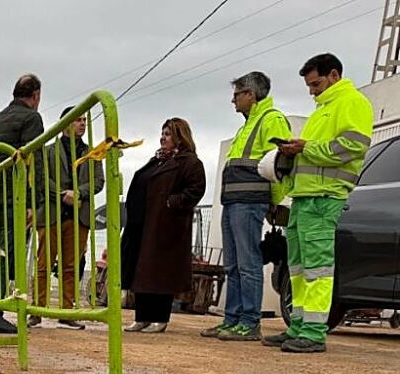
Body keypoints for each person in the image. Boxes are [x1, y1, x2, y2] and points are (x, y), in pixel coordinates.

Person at [265, 53, 373, 353]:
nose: (312, 90)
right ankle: (298, 326)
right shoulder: (323, 110)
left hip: (325, 197)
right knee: (298, 268)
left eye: (316, 83)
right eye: (310, 85)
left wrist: (305, 148)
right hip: (304, 196)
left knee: (317, 267)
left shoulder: (352, 102)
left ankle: (313, 332)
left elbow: (352, 147)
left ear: (334, 75)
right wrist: (291, 154)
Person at [203, 71, 293, 342]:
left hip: (249, 202)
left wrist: (274, 202)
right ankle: (232, 320)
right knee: (232, 265)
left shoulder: (272, 119)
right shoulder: (247, 125)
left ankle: (250, 321)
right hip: (233, 202)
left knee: (247, 263)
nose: (233, 101)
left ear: (250, 95)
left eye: (236, 95)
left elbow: (281, 164)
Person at [120, 118, 207, 333]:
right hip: (143, 225)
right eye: (162, 133)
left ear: (180, 136)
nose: (162, 137)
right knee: (142, 273)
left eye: (167, 133)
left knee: (160, 274)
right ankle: (141, 317)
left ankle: (159, 318)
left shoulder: (189, 162)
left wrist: (172, 202)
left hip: (167, 227)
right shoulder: (156, 160)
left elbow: (196, 189)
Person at [0, 73, 44, 334]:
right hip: (15, 198)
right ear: (36, 95)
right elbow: (35, 161)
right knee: (5, 255)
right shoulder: (31, 118)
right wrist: (33, 202)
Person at [32, 106, 105, 329]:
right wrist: (62, 195)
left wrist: (79, 193)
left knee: (72, 265)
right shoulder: (48, 151)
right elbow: (42, 178)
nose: (82, 124)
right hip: (52, 214)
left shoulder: (92, 153)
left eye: (84, 120)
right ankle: (37, 309)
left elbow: (98, 181)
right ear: (65, 124)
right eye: (77, 120)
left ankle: (67, 311)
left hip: (79, 217)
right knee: (44, 263)